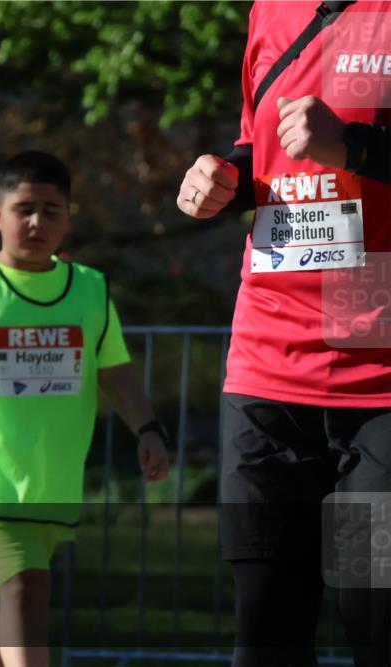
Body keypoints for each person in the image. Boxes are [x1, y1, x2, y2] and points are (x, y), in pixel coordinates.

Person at [176, 2, 390, 665]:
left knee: (371, 609)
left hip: (378, 373)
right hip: (268, 363)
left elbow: (330, 145)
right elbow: (260, 145)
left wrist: (352, 146)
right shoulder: (270, 9)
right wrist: (223, 177)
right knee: (268, 618)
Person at [0, 150, 171, 667]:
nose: (36, 221)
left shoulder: (90, 289)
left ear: (69, 218)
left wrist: (147, 427)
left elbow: (114, 370)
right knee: (27, 587)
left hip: (51, 478)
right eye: (24, 208)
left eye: (51, 210)